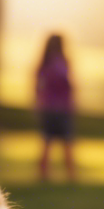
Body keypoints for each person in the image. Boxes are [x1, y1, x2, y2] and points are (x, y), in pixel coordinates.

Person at [36, 34, 76, 181]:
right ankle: (68, 175)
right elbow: (67, 84)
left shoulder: (45, 63)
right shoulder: (60, 63)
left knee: (51, 142)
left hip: (52, 107)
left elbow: (38, 86)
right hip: (58, 108)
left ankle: (48, 175)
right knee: (62, 142)